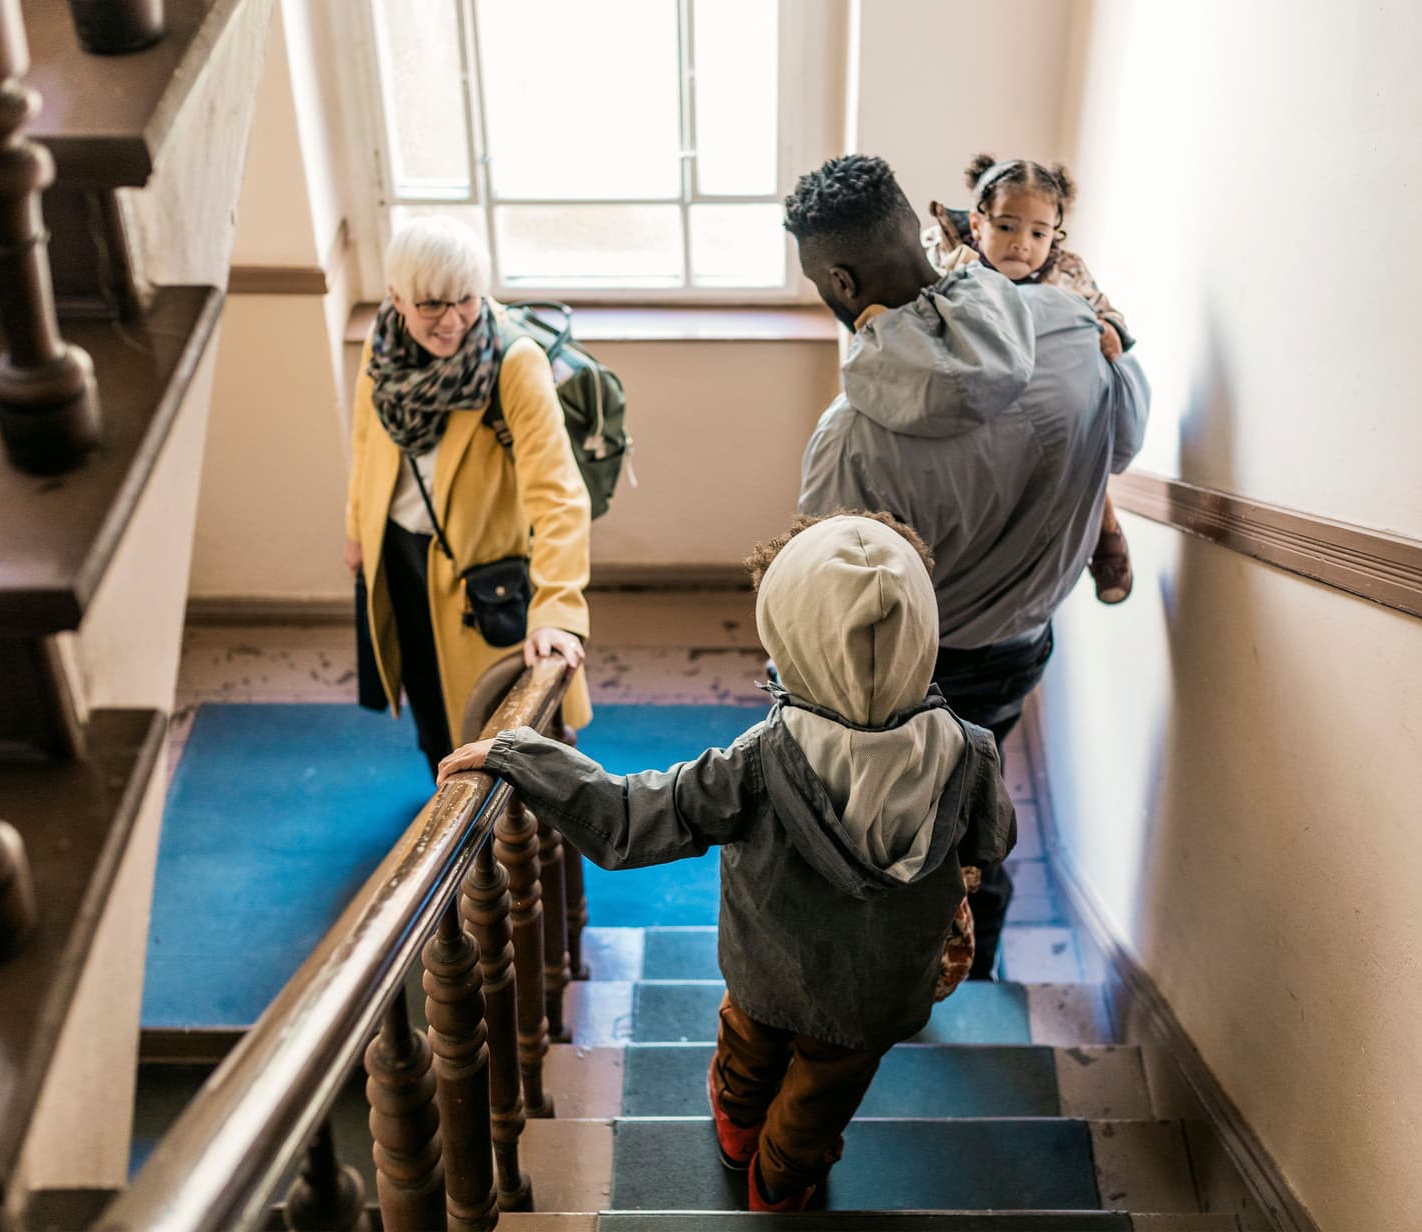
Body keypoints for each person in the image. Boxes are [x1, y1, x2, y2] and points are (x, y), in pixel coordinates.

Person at [436, 513, 1015, 1211]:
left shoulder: (760, 762)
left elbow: (629, 820)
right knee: (819, 1100)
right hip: (880, 993)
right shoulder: (972, 750)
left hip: (766, 971)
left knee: (747, 1049)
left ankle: (738, 1126)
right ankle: (779, 1182)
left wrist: (520, 754)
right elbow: (990, 844)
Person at [786, 154, 1150, 979]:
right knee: (980, 793)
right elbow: (1122, 443)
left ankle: (894, 970)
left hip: (912, 671)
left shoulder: (850, 436)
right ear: (924, 232)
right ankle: (975, 963)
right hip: (1021, 646)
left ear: (841, 282)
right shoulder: (1075, 328)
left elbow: (821, 621)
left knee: (896, 819)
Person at [344, 216, 593, 776]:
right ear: (396, 299)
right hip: (399, 556)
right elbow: (365, 441)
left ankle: (496, 841)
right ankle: (443, 806)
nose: (453, 320)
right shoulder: (382, 347)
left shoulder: (513, 363)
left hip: (482, 578)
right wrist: (357, 527)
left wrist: (555, 608)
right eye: (432, 304)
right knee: (429, 703)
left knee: (498, 728)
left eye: (466, 300)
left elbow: (559, 496)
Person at [925, 154, 1137, 603]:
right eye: (1006, 227)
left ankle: (1106, 532)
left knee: (1080, 461)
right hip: (983, 392)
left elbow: (1105, 308)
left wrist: (1111, 331)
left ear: (1054, 235)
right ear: (979, 223)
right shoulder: (952, 261)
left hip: (1046, 394)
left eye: (1038, 233)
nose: (1022, 243)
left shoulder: (1065, 270)